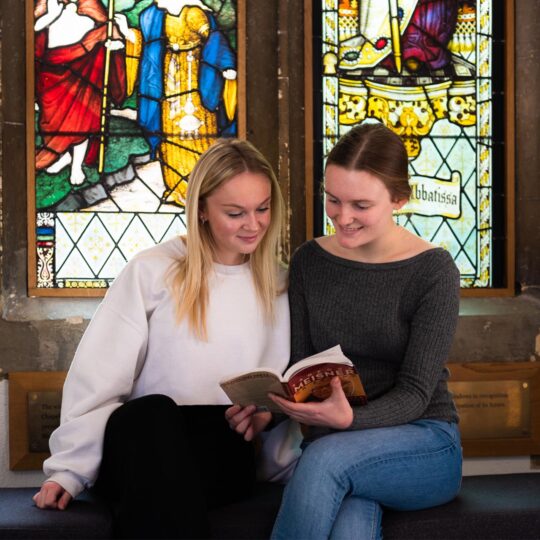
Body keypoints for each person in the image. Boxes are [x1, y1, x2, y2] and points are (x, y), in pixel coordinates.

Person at [32, 138, 290, 539]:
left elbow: (280, 388)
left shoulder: (279, 285)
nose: (253, 224)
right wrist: (69, 471)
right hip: (140, 444)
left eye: (263, 209)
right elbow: (98, 377)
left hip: (220, 448)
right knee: (153, 414)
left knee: (200, 450)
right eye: (235, 213)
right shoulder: (152, 271)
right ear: (201, 210)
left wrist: (269, 433)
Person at [269, 122, 462, 540]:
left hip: (425, 441)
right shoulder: (310, 261)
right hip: (341, 442)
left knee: (325, 461)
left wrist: (348, 420)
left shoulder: (433, 270)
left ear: (400, 199)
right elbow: (301, 368)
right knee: (349, 516)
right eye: (333, 200)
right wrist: (267, 408)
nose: (343, 217)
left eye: (360, 204)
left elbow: (415, 393)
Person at [115, 0, 237, 206]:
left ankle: (203, 189)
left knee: (194, 132)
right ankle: (176, 187)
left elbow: (215, 39)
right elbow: (145, 43)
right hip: (169, 79)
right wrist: (127, 33)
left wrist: (226, 64)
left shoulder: (193, 14)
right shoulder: (153, 16)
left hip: (194, 78)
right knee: (169, 133)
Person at [34, 0, 127, 185]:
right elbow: (34, 29)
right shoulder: (48, 3)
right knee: (50, 120)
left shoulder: (91, 5)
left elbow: (108, 30)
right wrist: (51, 15)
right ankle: (61, 156)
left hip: (84, 70)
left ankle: (76, 165)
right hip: (52, 69)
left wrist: (115, 44)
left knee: (82, 119)